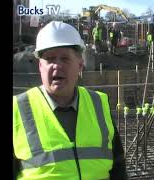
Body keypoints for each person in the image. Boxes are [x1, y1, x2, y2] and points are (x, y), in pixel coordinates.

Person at [13, 21, 127, 180]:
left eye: (65, 59)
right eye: (50, 59)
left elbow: (118, 167)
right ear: (40, 66)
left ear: (80, 65)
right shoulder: (18, 109)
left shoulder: (98, 104)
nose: (56, 66)